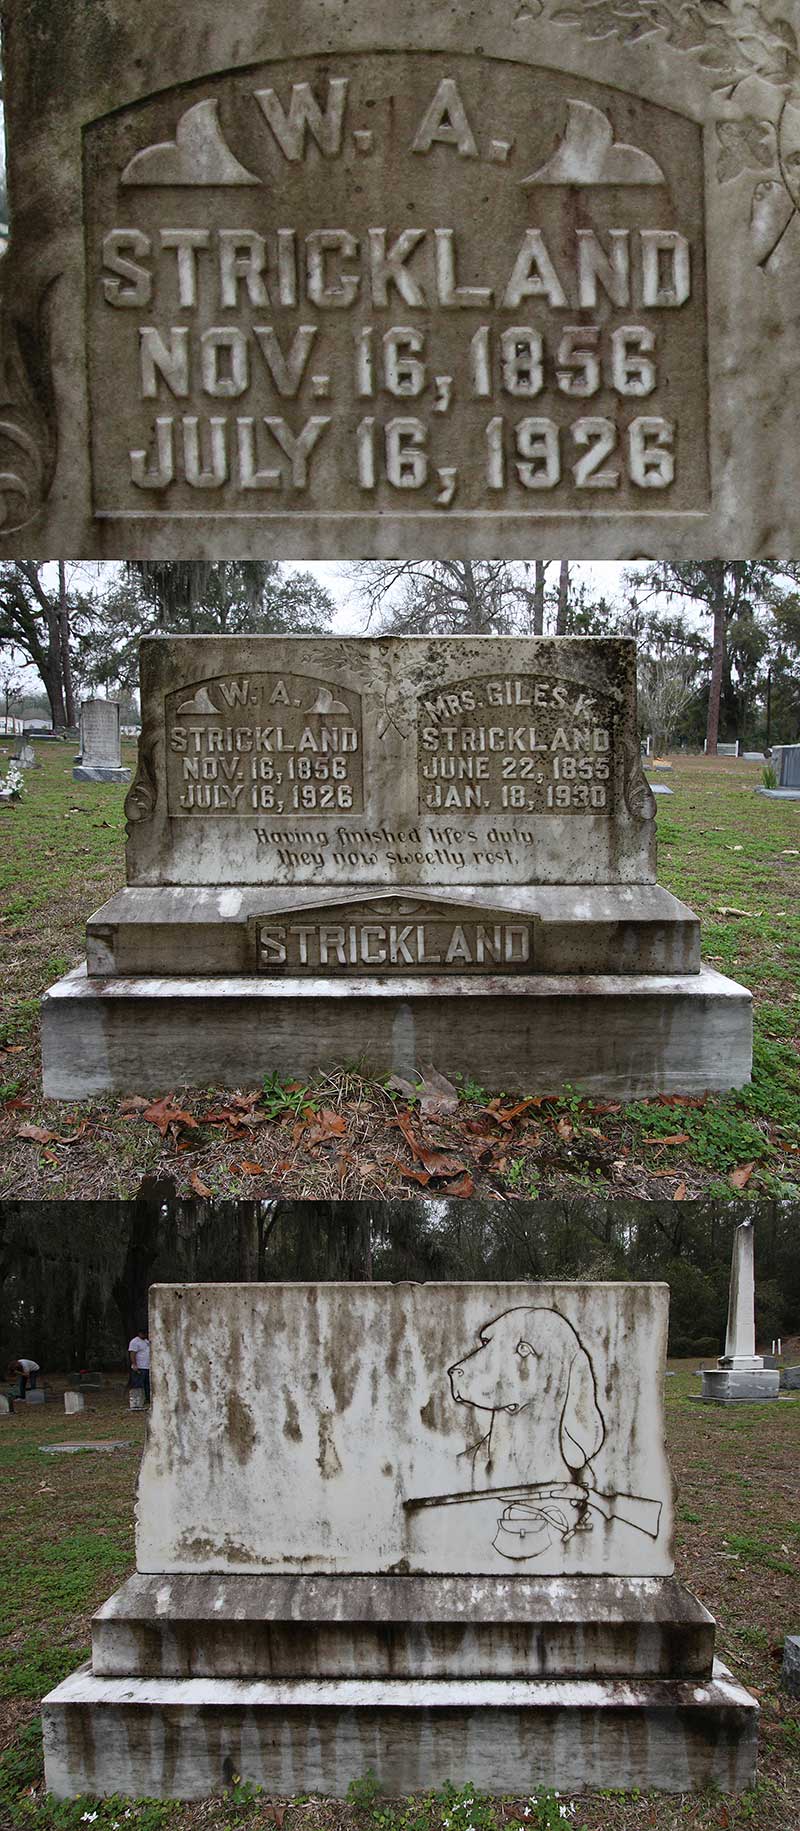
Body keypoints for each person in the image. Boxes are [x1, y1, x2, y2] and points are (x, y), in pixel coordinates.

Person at [128, 1328, 151, 1405]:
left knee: (147, 1384)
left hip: (147, 1366)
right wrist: (134, 1364)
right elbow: (132, 1353)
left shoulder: (146, 1341)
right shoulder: (135, 1342)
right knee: (138, 1384)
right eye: (143, 1334)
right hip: (140, 1366)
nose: (145, 1335)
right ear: (139, 1333)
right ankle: (137, 1400)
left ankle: (147, 1399)